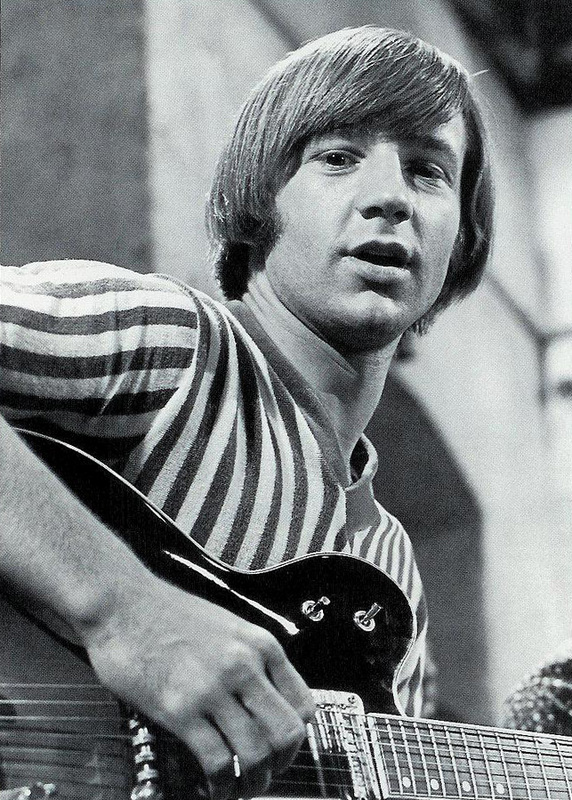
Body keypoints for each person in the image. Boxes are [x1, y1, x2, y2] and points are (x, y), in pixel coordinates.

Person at [0, 25, 494, 799]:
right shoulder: (168, 342)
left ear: (462, 237)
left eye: (428, 170)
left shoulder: (393, 570)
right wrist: (124, 612)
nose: (391, 197)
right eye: (338, 157)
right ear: (259, 199)